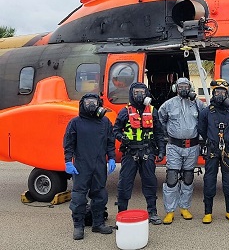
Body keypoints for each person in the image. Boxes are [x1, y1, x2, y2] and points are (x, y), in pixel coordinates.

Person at [63, 93, 116, 240]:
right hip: (81, 165)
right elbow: (69, 144)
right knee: (79, 197)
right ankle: (78, 226)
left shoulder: (105, 122)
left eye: (94, 102)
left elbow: (110, 142)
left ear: (99, 103)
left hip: (99, 165)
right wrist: (68, 161)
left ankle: (98, 223)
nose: (91, 105)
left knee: (100, 195)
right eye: (88, 102)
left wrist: (111, 158)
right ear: (82, 104)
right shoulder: (75, 123)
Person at [114, 82, 165, 225]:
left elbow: (159, 133)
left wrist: (161, 150)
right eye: (136, 92)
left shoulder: (153, 111)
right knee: (124, 183)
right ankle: (121, 212)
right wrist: (120, 137)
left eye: (142, 92)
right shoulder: (125, 111)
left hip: (147, 152)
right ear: (131, 93)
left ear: (146, 93)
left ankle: (153, 213)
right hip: (130, 153)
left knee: (150, 183)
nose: (139, 95)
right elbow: (115, 130)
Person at [159, 77, 205, 224]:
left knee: (188, 177)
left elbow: (206, 117)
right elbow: (160, 119)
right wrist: (168, 134)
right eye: (180, 87)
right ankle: (170, 211)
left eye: (186, 86)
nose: (183, 89)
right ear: (175, 88)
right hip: (174, 146)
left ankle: (184, 207)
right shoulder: (168, 104)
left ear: (190, 87)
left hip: (192, 146)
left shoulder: (197, 104)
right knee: (171, 178)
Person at [198, 79, 229, 224]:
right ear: (213, 93)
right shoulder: (206, 112)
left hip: (228, 150)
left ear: (227, 93)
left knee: (228, 181)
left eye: (223, 92)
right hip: (212, 149)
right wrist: (212, 141)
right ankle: (208, 212)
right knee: (209, 180)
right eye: (217, 92)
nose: (220, 95)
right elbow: (202, 129)